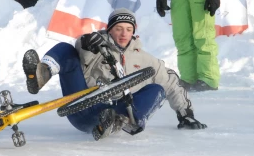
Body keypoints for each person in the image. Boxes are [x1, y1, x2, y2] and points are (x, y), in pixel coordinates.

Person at [23, 9, 206, 140]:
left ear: (134, 32)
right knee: (66, 49)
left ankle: (120, 121)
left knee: (157, 89)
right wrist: (86, 41)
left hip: (115, 114)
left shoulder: (146, 60)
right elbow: (81, 47)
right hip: (80, 107)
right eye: (119, 28)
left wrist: (185, 113)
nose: (123, 34)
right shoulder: (95, 45)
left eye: (128, 29)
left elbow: (171, 83)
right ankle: (41, 74)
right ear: (110, 29)